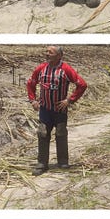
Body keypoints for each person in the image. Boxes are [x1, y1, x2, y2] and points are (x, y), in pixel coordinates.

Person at [26, 46, 87, 175]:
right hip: (45, 110)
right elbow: (30, 83)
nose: (47, 54)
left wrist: (69, 100)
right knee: (42, 133)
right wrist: (33, 100)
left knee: (61, 133)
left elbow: (82, 85)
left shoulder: (66, 69)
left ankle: (63, 161)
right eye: (46, 52)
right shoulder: (41, 68)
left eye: (50, 52)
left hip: (59, 110)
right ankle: (42, 163)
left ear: (59, 56)